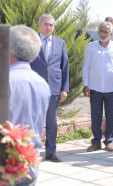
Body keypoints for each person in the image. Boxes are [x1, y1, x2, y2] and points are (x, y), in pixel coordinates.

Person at [8, 25, 51, 185]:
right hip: (30, 164)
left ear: (9, 50)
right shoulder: (42, 84)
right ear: (32, 57)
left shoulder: (5, 81)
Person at [30, 14, 69, 163]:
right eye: (46, 24)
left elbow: (65, 67)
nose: (49, 27)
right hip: (35, 88)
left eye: (51, 25)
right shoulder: (31, 42)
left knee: (52, 121)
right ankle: (32, 152)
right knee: (34, 122)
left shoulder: (61, 43)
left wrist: (64, 88)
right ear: (39, 25)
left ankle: (51, 152)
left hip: (54, 88)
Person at [82, 22, 113, 152]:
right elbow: (86, 67)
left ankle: (109, 141)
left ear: (111, 34)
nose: (103, 34)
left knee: (111, 116)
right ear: (98, 32)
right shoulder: (91, 47)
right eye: (101, 31)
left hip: (111, 88)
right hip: (95, 87)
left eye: (106, 32)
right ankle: (96, 142)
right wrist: (85, 84)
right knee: (96, 115)